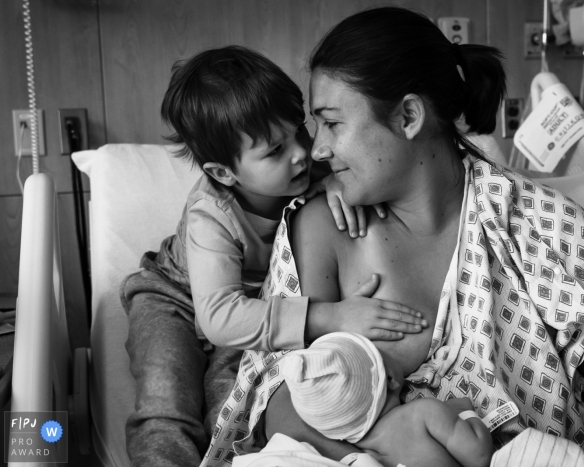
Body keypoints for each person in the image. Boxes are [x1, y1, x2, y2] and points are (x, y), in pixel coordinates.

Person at [203, 7, 584, 467]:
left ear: (409, 117)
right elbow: (276, 403)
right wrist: (382, 439)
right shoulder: (320, 228)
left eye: (331, 123)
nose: (318, 150)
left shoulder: (533, 221)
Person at [120, 45, 429, 467]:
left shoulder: (314, 171)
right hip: (178, 297)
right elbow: (220, 317)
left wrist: (341, 185)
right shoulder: (210, 215)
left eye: (298, 133)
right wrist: (328, 316)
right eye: (274, 151)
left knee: (234, 409)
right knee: (165, 402)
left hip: (261, 309)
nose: (303, 153)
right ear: (223, 173)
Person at [281, 332, 493, 467]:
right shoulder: (424, 413)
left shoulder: (365, 457)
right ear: (390, 378)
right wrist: (465, 412)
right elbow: (480, 456)